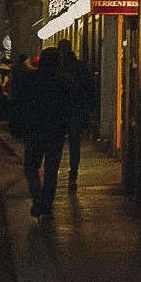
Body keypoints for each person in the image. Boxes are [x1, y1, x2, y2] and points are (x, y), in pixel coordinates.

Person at [9, 49, 76, 218]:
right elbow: (71, 107)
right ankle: (47, 204)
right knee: (51, 169)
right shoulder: (64, 81)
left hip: (34, 129)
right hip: (56, 131)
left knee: (31, 166)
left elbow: (20, 103)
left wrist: (18, 124)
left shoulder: (30, 79)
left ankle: (37, 196)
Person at [55, 40, 96, 191]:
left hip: (60, 112)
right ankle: (72, 176)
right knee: (74, 144)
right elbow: (89, 88)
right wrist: (90, 109)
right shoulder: (79, 67)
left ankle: (54, 175)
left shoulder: (57, 69)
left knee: (57, 145)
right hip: (75, 110)